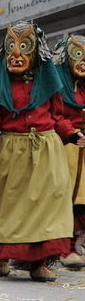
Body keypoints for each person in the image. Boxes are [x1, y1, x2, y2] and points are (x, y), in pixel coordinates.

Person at [0, 21, 82, 282]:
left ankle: (38, 263)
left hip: (47, 149)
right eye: (11, 47)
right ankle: (0, 257)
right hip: (13, 149)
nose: (16, 54)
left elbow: (58, 117)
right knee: (7, 205)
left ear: (36, 52)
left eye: (24, 47)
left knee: (47, 205)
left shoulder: (49, 81)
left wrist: (72, 134)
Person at [56, 34, 85, 270]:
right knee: (68, 197)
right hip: (66, 147)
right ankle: (65, 247)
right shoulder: (57, 85)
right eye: (77, 55)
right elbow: (56, 116)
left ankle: (79, 245)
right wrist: (71, 132)